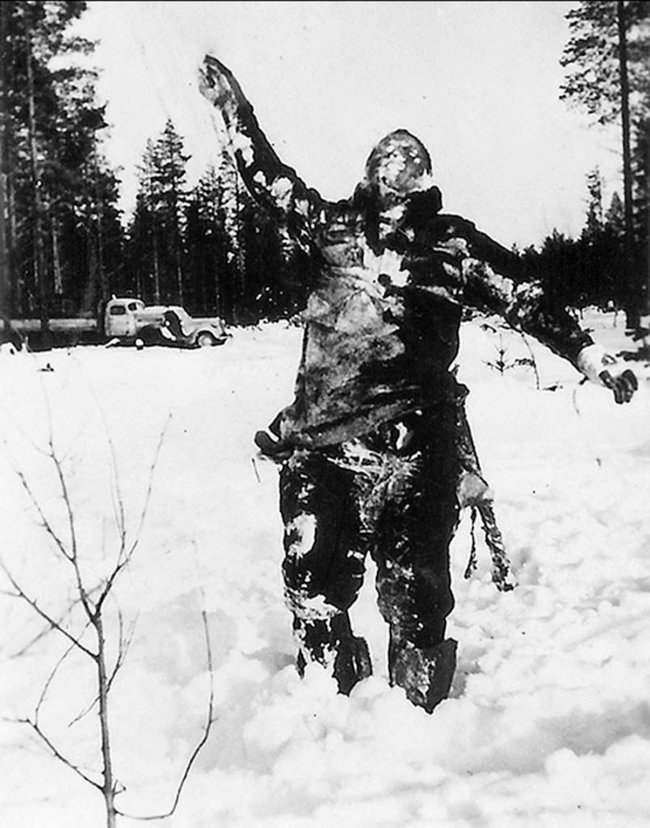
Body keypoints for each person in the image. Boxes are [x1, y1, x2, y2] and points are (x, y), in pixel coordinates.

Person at [198, 55, 638, 713]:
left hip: (417, 440)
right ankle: (325, 710)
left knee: (416, 593)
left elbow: (526, 296)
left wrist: (590, 355)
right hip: (323, 441)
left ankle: (417, 722)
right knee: (311, 583)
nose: (390, 204)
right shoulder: (333, 231)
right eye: (382, 188)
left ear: (423, 190)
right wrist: (232, 110)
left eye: (402, 191)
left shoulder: (451, 246)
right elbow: (270, 180)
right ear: (366, 186)